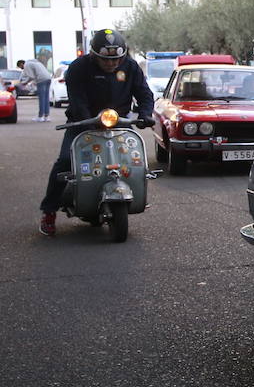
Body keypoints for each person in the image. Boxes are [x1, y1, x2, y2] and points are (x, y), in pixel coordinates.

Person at [38, 29, 153, 237]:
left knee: (134, 160)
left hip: (119, 121)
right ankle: (49, 211)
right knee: (65, 161)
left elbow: (144, 93)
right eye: (105, 59)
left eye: (116, 59)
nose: (111, 64)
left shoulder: (131, 67)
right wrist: (87, 121)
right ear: (93, 55)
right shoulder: (78, 68)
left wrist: (145, 114)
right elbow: (77, 99)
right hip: (83, 121)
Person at [17, 57, 52, 121]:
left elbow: (31, 76)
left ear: (21, 64)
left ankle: (40, 116)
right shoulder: (35, 62)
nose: (22, 69)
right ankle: (47, 116)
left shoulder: (26, 65)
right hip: (48, 78)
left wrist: (25, 83)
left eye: (20, 67)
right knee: (46, 98)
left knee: (42, 98)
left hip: (41, 79)